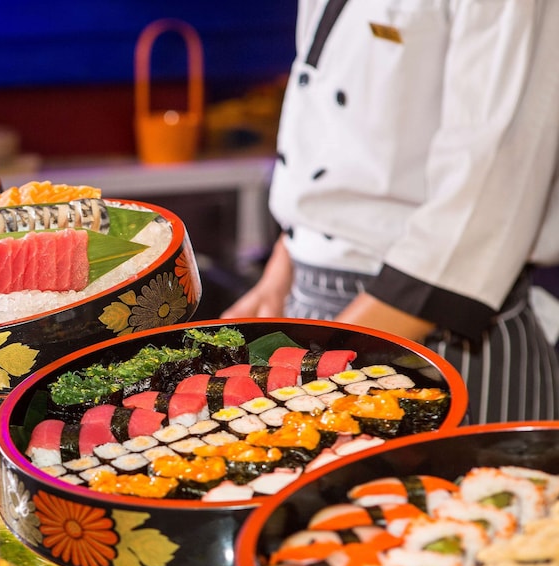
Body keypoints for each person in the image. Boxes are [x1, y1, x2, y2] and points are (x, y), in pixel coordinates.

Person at [221, 0, 559, 424]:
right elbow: (337, 143)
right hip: (315, 316)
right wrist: (281, 276)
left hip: (435, 331)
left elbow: (488, 198)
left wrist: (327, 370)